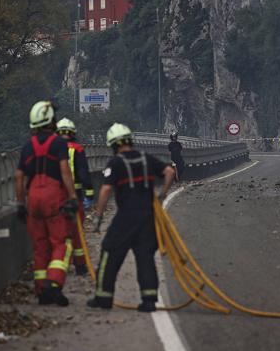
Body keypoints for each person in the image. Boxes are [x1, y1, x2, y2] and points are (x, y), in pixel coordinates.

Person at [87, 123, 175, 312]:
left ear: (114, 145)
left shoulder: (116, 162)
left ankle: (103, 297)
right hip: (148, 216)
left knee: (109, 252)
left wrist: (99, 217)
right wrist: (163, 195)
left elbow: (106, 189)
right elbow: (169, 171)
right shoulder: (145, 158)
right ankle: (149, 300)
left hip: (126, 216)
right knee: (145, 256)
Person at [15, 101, 79, 306]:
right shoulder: (58, 143)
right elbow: (65, 171)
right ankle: (54, 281)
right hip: (53, 197)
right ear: (51, 120)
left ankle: (41, 291)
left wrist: (20, 203)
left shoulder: (27, 146)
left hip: (33, 197)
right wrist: (72, 197)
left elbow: (19, 177)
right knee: (62, 242)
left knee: (40, 246)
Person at [56, 118, 94, 276]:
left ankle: (58, 265)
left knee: (58, 233)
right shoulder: (77, 149)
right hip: (74, 197)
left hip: (56, 196)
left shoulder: (52, 149)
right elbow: (84, 174)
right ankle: (80, 266)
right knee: (76, 232)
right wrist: (89, 194)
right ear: (73, 133)